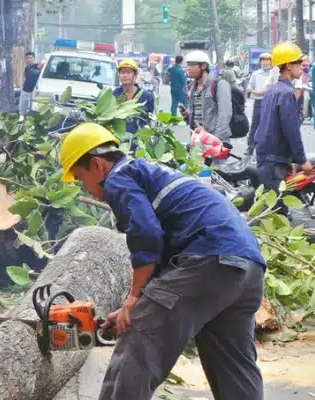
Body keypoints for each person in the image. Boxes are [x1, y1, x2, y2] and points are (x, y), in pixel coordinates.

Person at [57, 122, 266, 400]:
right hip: (247, 268)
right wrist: (133, 302)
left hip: (210, 261)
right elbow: (165, 266)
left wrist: (133, 302)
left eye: (82, 179)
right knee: (234, 367)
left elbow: (146, 235)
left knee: (138, 338)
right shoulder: (148, 174)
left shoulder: (119, 178)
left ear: (97, 165)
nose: (87, 190)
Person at [253, 42, 313, 199]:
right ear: (288, 65)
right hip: (274, 159)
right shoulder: (286, 93)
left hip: (267, 154)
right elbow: (291, 130)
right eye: (299, 63)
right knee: (275, 210)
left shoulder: (272, 90)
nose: (303, 66)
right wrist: (302, 160)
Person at [180, 50, 232, 143]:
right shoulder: (192, 87)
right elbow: (197, 118)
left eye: (192, 64)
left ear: (203, 66)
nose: (188, 68)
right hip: (197, 141)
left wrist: (216, 139)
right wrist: (187, 116)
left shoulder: (219, 85)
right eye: (187, 65)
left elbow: (224, 115)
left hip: (215, 142)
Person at [113, 58, 154, 134]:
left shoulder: (146, 96)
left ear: (135, 75)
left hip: (139, 141)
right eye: (122, 72)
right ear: (119, 75)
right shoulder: (114, 95)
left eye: (128, 72)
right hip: (117, 139)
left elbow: (150, 119)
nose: (125, 75)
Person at [245, 52, 274, 156]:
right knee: (255, 126)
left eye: (268, 59)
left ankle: (268, 148)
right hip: (259, 101)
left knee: (269, 126)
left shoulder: (274, 74)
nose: (266, 62)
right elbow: (249, 88)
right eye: (264, 59)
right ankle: (250, 148)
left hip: (270, 102)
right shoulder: (256, 74)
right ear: (260, 61)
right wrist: (256, 92)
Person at [20, 52, 41, 116]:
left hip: (33, 93)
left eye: (30, 58)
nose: (28, 60)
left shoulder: (38, 67)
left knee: (31, 111)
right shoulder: (27, 68)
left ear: (34, 58)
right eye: (27, 58)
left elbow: (39, 65)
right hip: (25, 91)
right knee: (22, 110)